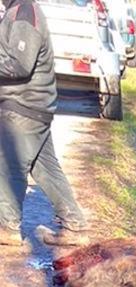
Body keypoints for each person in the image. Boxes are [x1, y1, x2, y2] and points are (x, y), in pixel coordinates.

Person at [0, 0, 89, 249]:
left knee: (9, 164)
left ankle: (7, 227)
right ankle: (75, 226)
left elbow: (19, 63)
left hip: (24, 107)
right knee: (45, 169)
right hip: (33, 106)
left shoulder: (25, 11)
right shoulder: (16, 12)